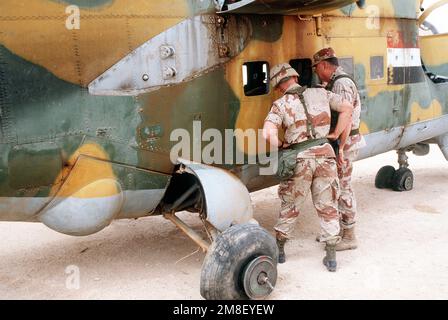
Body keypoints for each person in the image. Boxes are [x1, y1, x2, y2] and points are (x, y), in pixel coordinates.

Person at [263, 63, 353, 271]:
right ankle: (331, 258)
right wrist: (335, 134)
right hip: (326, 156)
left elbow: (267, 134)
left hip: (300, 159)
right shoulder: (321, 93)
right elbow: (347, 107)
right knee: (328, 205)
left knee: (291, 205)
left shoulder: (280, 103)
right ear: (295, 78)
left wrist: (282, 144)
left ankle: (281, 251)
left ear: (279, 86)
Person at [312, 48, 366, 251]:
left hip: (346, 142)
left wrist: (340, 147)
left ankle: (350, 235)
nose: (317, 72)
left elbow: (347, 117)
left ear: (325, 65)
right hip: (343, 142)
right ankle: (335, 232)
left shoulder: (342, 83)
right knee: (337, 187)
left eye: (317, 68)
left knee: (343, 188)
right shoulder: (336, 82)